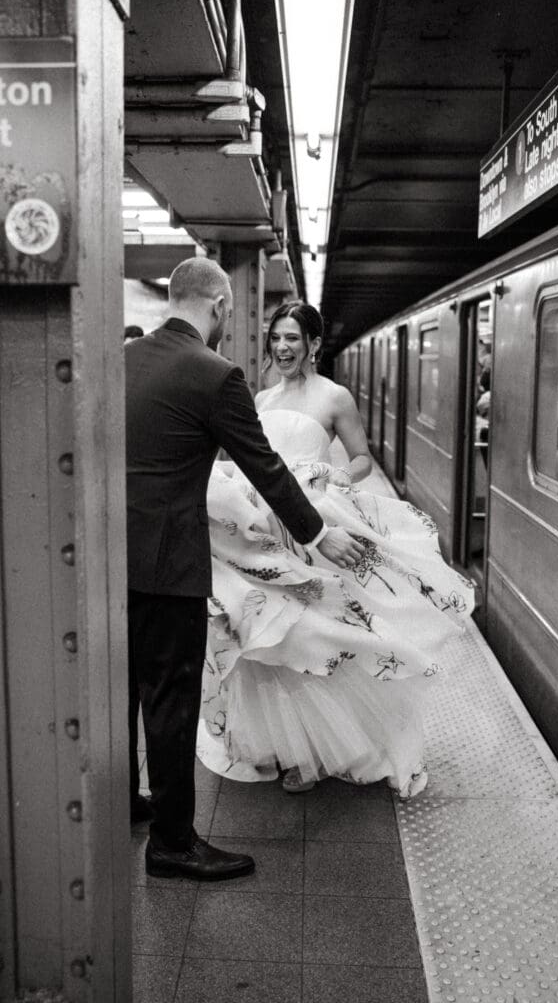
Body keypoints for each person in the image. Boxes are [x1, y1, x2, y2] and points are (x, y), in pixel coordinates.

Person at [125, 261, 365, 881]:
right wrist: (318, 532)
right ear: (222, 306)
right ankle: (172, 842)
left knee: (119, 690)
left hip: (111, 557)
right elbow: (266, 468)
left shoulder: (122, 358)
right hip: (169, 563)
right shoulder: (216, 373)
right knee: (170, 699)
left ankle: (127, 800)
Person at [197, 300, 475, 795]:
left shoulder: (335, 397)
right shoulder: (258, 400)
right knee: (270, 635)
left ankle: (320, 753)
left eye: (293, 339)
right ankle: (283, 745)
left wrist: (332, 478)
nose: (282, 347)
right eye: (276, 338)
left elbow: (364, 458)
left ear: (313, 346)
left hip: (314, 524)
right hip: (265, 529)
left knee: (318, 632)